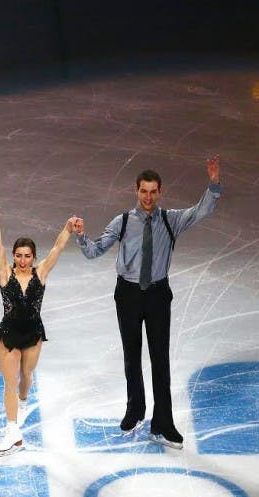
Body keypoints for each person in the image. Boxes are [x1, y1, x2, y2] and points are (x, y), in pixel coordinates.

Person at [74, 155, 222, 449]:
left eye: (154, 191)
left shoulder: (171, 220)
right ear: (136, 191)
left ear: (160, 192)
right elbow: (94, 251)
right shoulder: (123, 221)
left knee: (160, 360)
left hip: (157, 294)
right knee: (132, 356)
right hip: (127, 294)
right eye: (144, 191)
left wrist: (214, 182)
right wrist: (80, 236)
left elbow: (201, 210)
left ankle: (163, 423)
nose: (149, 197)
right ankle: (135, 409)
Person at [0, 201, 77, 456]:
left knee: (26, 377)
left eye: (27, 256)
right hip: (9, 335)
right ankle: (12, 431)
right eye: (18, 255)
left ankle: (23, 402)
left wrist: (68, 228)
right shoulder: (6, 274)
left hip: (34, 334)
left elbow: (58, 247)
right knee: (10, 383)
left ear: (34, 257)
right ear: (13, 256)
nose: (23, 260)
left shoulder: (41, 273)